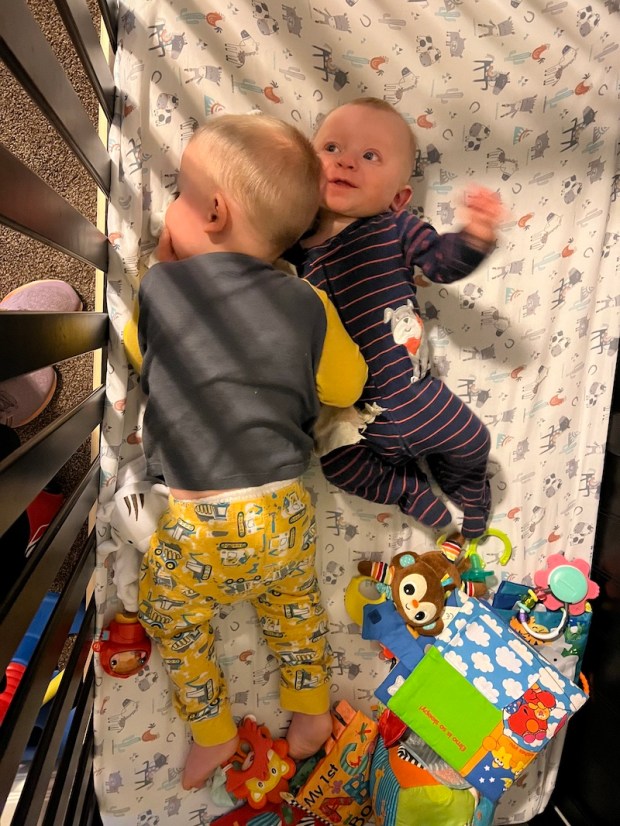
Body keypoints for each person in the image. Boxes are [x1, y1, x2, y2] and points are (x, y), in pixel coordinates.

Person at [134, 114, 368, 790]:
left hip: (199, 522)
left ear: (212, 211)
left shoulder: (160, 288)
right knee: (295, 613)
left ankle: (212, 733)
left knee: (173, 617)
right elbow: (346, 385)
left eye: (177, 195)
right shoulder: (308, 302)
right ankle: (310, 715)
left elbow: (140, 356)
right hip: (283, 509)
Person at [287, 97, 505, 541]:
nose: (345, 161)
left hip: (420, 396)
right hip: (354, 418)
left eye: (370, 157)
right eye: (331, 148)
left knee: (473, 440)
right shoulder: (291, 244)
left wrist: (475, 237)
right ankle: (413, 495)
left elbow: (443, 263)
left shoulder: (396, 230)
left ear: (398, 198)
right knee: (338, 468)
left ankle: (468, 491)